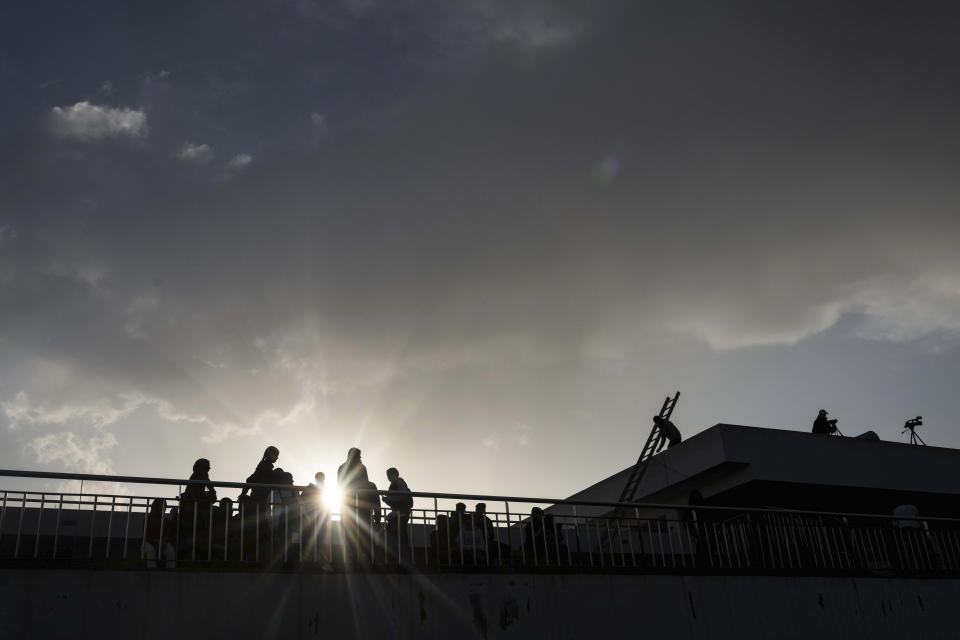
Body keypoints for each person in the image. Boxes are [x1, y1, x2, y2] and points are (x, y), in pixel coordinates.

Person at [337, 448, 370, 563]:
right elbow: (367, 484)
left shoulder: (342, 467)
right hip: (358, 503)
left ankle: (351, 556)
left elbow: (339, 485)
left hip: (348, 503)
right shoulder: (361, 467)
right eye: (359, 456)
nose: (360, 458)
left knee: (349, 530)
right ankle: (356, 556)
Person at [383, 468, 413, 561]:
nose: (388, 477)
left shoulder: (399, 482)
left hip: (401, 512)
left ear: (395, 474)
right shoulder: (397, 483)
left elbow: (401, 496)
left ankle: (405, 557)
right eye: (387, 475)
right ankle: (403, 556)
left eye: (389, 474)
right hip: (400, 512)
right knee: (399, 533)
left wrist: (387, 499)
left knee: (399, 533)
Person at [144, 498, 176, 569]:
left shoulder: (167, 521)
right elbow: (146, 535)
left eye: (165, 507)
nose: (163, 508)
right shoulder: (147, 520)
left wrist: (164, 542)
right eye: (161, 506)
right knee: (151, 551)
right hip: (149, 542)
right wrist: (155, 544)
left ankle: (171, 572)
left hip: (163, 542)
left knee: (171, 551)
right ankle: (151, 571)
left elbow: (168, 534)